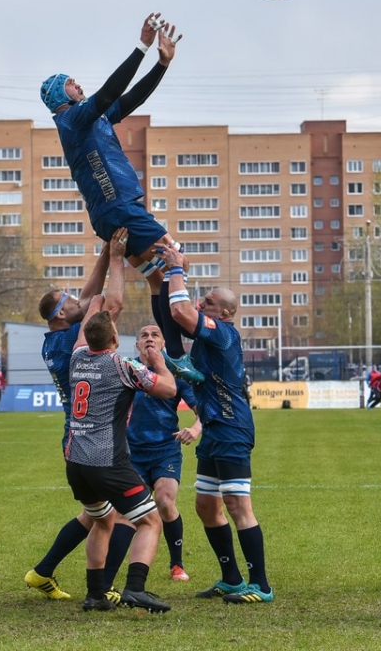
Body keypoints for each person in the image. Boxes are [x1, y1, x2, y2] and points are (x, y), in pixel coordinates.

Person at [41, 15, 197, 380]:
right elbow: (111, 92)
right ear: (59, 97)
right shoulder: (71, 120)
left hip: (117, 211)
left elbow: (127, 99)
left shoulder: (90, 119)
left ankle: (174, 353)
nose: (79, 85)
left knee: (159, 279)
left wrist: (161, 64)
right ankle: (198, 334)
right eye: (71, 84)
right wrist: (141, 46)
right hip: (119, 207)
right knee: (179, 262)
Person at [25, 230, 135, 602]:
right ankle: (105, 589)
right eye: (71, 300)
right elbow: (109, 304)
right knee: (120, 515)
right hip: (93, 439)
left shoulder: (62, 331)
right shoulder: (68, 342)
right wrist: (117, 259)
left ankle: (42, 572)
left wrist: (106, 249)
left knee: (96, 516)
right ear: (61, 315)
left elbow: (90, 296)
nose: (79, 299)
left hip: (78, 437)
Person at [162, 245, 273, 605]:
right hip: (213, 427)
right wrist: (166, 278)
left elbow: (179, 311)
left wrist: (177, 268)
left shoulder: (224, 333)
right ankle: (231, 578)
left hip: (231, 427)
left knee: (238, 503)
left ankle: (261, 585)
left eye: (208, 302)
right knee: (206, 506)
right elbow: (173, 316)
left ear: (223, 313)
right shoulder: (209, 338)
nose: (201, 305)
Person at [67, 306, 178, 613]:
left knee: (102, 521)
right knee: (150, 520)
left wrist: (96, 304)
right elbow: (168, 390)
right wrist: (160, 364)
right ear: (115, 337)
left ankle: (95, 595)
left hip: (76, 461)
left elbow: (83, 336)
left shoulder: (76, 357)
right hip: (108, 461)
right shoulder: (123, 366)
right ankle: (135, 588)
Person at [126, 323, 202, 582]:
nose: (149, 338)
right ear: (137, 345)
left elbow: (201, 412)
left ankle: (177, 565)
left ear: (162, 344)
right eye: (144, 335)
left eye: (155, 335)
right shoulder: (127, 370)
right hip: (131, 452)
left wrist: (195, 428)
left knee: (165, 502)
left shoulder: (176, 374)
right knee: (126, 512)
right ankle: (119, 568)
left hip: (165, 450)